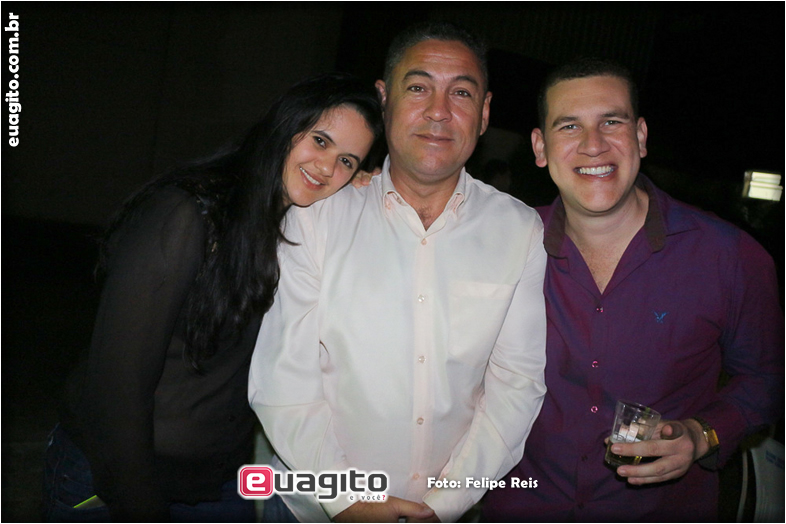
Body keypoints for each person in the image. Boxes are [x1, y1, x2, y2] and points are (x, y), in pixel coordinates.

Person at [42, 72, 384, 522]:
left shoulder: (296, 226)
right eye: (320, 141)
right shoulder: (186, 214)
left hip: (216, 484)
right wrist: (141, 506)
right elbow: (117, 387)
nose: (326, 168)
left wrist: (364, 198)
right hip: (116, 478)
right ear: (285, 125)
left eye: (346, 161)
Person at [249, 22, 548, 523]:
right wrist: (346, 499)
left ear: (484, 113)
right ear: (384, 99)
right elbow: (283, 380)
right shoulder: (318, 215)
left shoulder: (517, 229)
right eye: (418, 88)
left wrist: (444, 505)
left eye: (461, 92)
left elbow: (515, 385)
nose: (438, 111)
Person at [482, 58, 784, 521]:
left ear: (640, 137)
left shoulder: (729, 256)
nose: (593, 145)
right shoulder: (502, 245)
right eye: (569, 126)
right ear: (540, 148)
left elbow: (766, 378)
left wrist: (703, 433)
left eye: (612, 122)